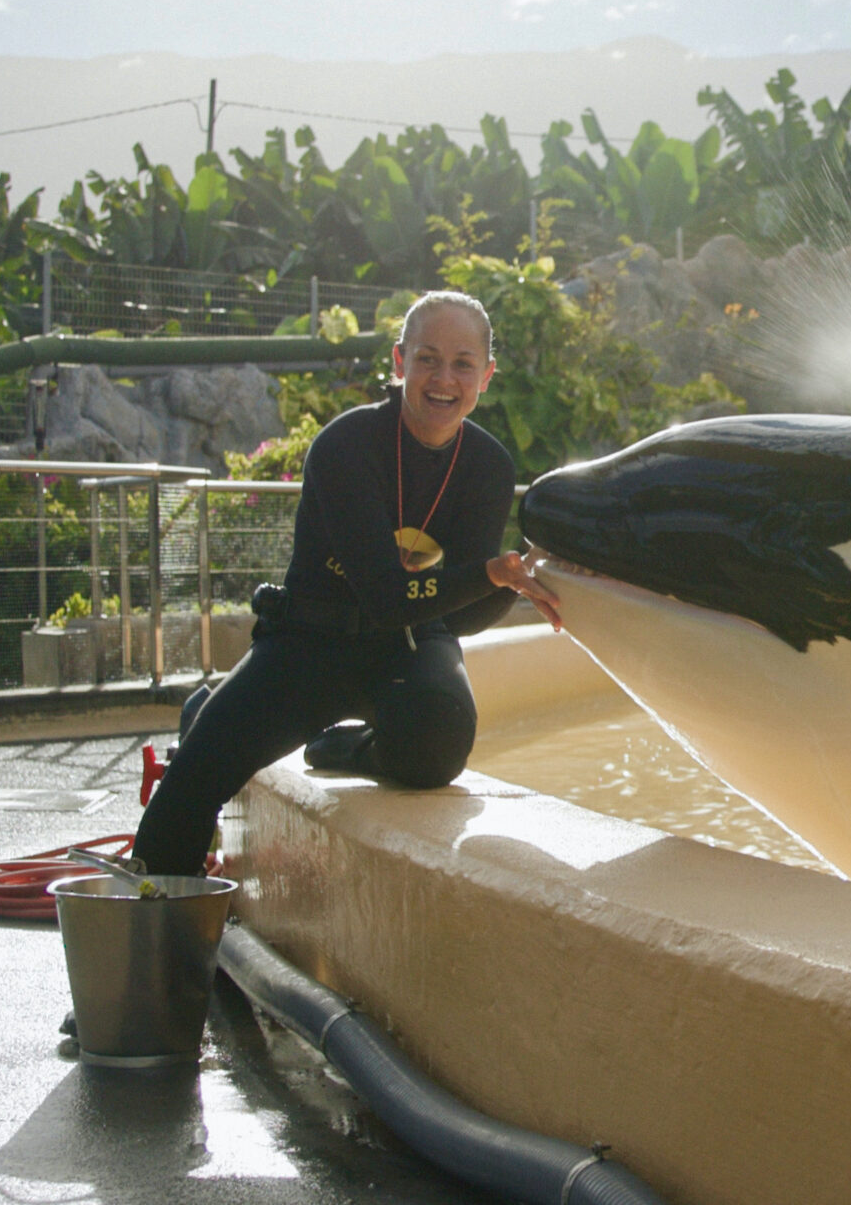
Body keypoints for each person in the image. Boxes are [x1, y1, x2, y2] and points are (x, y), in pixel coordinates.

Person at [129, 291, 560, 876]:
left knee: (438, 742)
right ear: (398, 362)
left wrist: (510, 585)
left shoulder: (488, 466)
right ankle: (207, 714)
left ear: (485, 377)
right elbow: (384, 597)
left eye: (463, 364)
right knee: (191, 784)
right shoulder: (348, 446)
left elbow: (457, 616)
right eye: (427, 358)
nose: (443, 378)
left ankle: (344, 747)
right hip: (312, 639)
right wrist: (487, 576)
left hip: (410, 644)